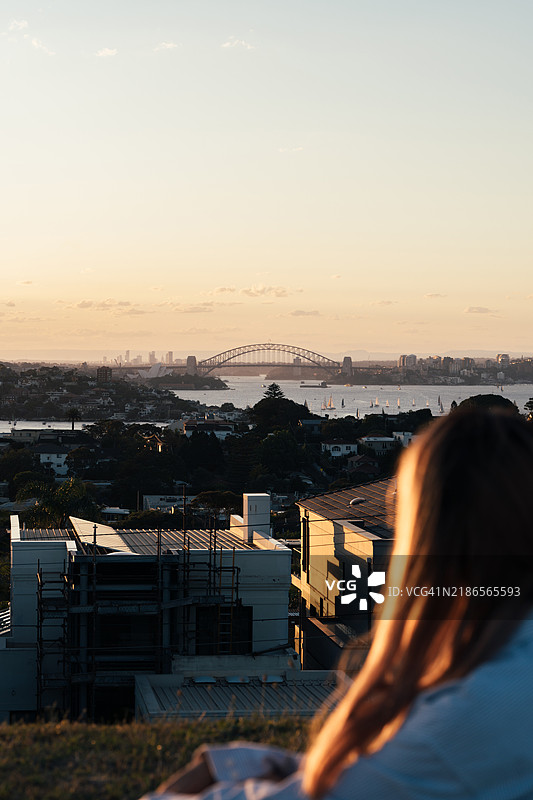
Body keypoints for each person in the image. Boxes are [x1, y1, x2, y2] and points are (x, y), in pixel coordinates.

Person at [142, 408, 533, 800]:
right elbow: (384, 776)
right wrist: (255, 764)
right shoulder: (500, 679)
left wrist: (212, 770)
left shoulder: (464, 718)